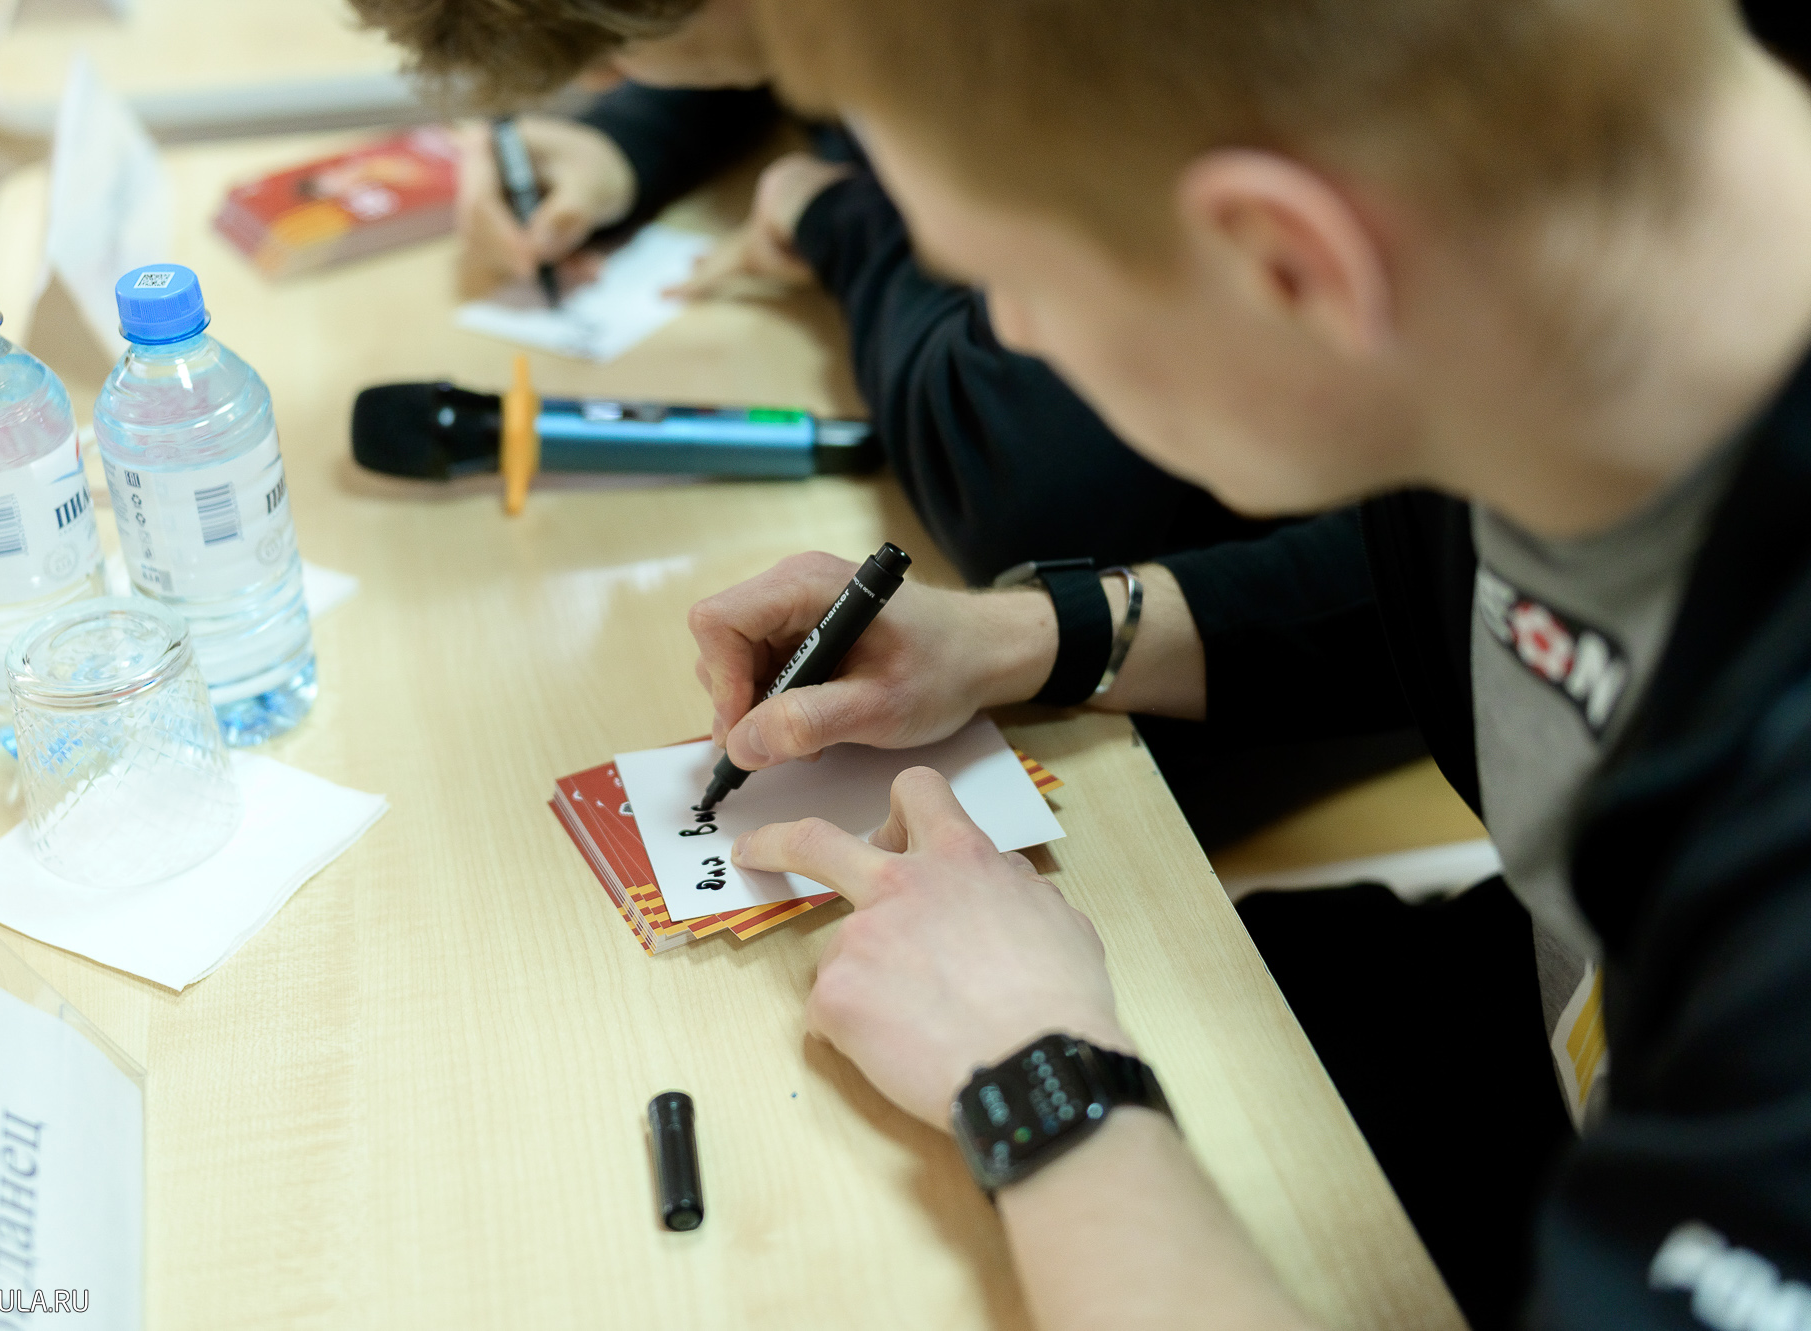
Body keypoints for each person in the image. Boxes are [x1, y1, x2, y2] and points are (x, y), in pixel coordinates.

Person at [671, 1, 1811, 1328]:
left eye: (1012, 282)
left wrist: (1039, 1070)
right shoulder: (1563, 332)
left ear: (1285, 262)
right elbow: (1457, 591)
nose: (1017, 339)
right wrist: (1029, 634)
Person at [343, 0, 1277, 587]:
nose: (593, 79)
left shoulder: (1031, 46)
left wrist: (834, 219)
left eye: (610, 56)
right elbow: (764, 34)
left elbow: (1024, 493)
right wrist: (624, 139)